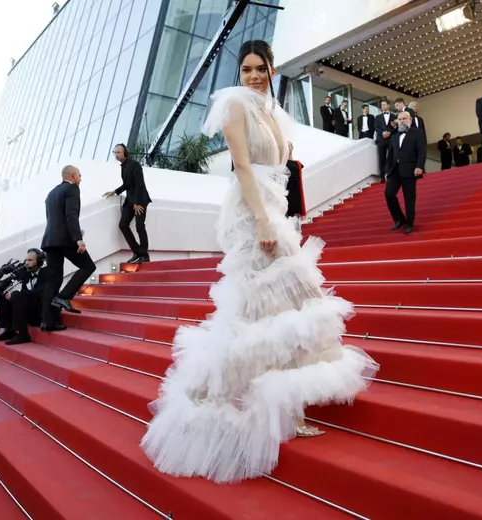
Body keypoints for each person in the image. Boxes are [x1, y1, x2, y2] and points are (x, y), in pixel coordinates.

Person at [140, 40, 377, 484]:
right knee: (268, 312)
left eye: (260, 68)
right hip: (254, 218)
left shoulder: (273, 111)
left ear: (271, 69)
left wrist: (280, 216)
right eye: (246, 68)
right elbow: (243, 168)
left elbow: (283, 170)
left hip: (275, 212)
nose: (253, 75)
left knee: (288, 313)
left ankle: (288, 403)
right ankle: (233, 403)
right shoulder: (234, 106)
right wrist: (265, 222)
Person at [40, 165, 96, 330]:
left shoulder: (51, 193)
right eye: (79, 174)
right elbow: (71, 215)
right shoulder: (72, 189)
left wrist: (76, 231)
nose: (81, 178)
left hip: (50, 240)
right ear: (72, 175)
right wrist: (78, 239)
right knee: (88, 266)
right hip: (64, 240)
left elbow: (54, 219)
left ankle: (47, 322)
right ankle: (64, 296)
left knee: (53, 281)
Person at [104, 144, 152, 264]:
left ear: (125, 152)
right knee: (123, 225)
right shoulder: (123, 166)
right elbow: (127, 184)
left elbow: (140, 184)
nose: (116, 154)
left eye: (119, 152)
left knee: (140, 227)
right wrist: (115, 191)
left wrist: (137, 202)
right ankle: (137, 252)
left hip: (140, 200)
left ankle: (144, 255)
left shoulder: (134, 164)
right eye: (115, 152)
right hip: (129, 201)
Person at [0, 248, 49, 345]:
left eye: (30, 260)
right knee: (2, 295)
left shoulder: (46, 273)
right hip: (28, 309)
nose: (27, 263)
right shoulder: (26, 273)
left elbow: (39, 293)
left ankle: (23, 334)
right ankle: (9, 331)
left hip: (41, 311)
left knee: (17, 295)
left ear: (39, 262)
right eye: (26, 260)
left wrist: (16, 294)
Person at [384, 111, 426, 234]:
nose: (402, 121)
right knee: (389, 193)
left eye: (404, 118)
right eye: (400, 119)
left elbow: (421, 151)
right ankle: (399, 219)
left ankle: (409, 223)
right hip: (395, 170)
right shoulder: (394, 136)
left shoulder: (418, 133)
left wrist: (419, 166)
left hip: (410, 170)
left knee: (409, 198)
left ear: (410, 119)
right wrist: (387, 171)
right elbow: (390, 155)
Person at [374, 100, 396, 181]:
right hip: (381, 139)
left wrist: (390, 132)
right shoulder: (378, 117)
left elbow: (395, 127)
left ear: (389, 105)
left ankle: (391, 174)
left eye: (384, 104)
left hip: (391, 139)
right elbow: (376, 127)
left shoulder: (394, 116)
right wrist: (383, 133)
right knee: (381, 158)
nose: (382, 106)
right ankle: (382, 177)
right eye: (381, 105)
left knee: (392, 157)